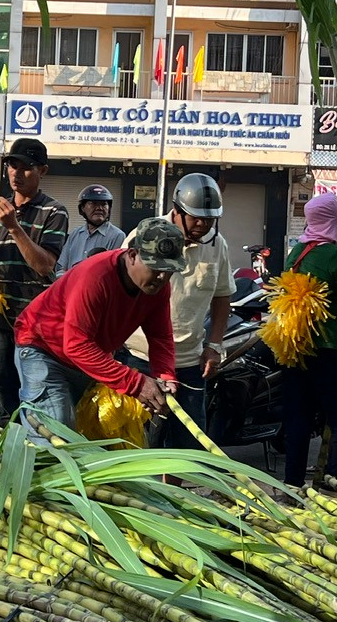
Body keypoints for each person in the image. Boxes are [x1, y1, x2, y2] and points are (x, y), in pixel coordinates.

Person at [14, 218, 183, 434]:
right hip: (43, 347)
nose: (162, 277)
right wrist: (137, 384)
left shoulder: (158, 287)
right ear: (132, 255)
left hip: (86, 357)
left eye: (170, 270)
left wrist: (165, 377)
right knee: (56, 432)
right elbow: (76, 345)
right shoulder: (95, 277)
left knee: (87, 432)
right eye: (156, 267)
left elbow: (160, 337)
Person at [122, 173, 233, 451]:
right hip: (141, 358)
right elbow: (121, 290)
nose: (203, 224)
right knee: (139, 443)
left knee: (186, 446)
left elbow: (222, 297)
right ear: (177, 211)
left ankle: (175, 494)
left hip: (189, 362)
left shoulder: (218, 246)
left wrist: (214, 346)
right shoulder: (143, 236)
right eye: (196, 217)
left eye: (209, 219)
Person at [0, 138, 69, 424]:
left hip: (36, 322)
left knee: (35, 391)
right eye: (12, 165)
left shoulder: (54, 212)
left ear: (42, 171)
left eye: (26, 168)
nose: (16, 173)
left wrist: (14, 228)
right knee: (3, 387)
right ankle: (6, 443)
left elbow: (45, 265)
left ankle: (36, 441)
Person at [278, 193, 337, 489]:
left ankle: (293, 483)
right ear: (333, 223)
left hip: (295, 348)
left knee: (300, 417)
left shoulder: (298, 252)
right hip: (327, 348)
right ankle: (332, 483)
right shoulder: (336, 256)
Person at [55, 185, 126, 274]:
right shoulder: (75, 234)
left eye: (104, 204)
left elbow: (113, 272)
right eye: (93, 203)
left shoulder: (117, 236)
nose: (99, 208)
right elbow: (61, 267)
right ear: (82, 208)